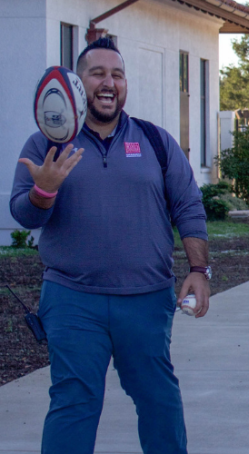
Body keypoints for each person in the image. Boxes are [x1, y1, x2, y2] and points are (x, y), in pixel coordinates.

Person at [9, 37, 210, 454]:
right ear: (78, 85)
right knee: (74, 403)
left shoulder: (155, 141)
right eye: (97, 73)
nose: (108, 82)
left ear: (124, 85)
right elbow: (24, 215)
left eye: (117, 74)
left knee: (158, 399)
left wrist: (198, 270)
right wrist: (43, 192)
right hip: (71, 299)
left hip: (146, 298)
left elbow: (189, 207)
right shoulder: (47, 143)